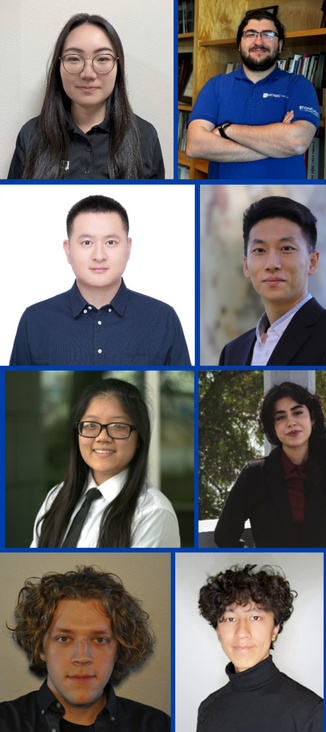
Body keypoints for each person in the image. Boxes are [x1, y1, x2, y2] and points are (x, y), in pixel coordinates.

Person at [10, 195, 190, 366]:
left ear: (128, 248)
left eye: (110, 242)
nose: (99, 256)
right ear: (68, 250)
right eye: (87, 242)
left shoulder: (163, 318)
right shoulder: (34, 320)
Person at [0, 565, 170, 732]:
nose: (82, 657)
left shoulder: (159, 731)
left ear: (119, 649)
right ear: (40, 648)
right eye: (64, 638)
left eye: (100, 640)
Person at [218, 196, 326, 365]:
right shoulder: (232, 353)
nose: (272, 264)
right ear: (246, 265)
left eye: (286, 248)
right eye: (259, 250)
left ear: (312, 262)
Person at [8, 14, 164, 180]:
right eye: (74, 59)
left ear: (118, 66)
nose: (88, 74)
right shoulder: (31, 134)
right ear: (58, 66)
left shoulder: (145, 136)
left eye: (102, 58)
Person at [31, 378, 181, 548]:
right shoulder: (56, 497)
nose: (102, 437)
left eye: (118, 426)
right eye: (90, 425)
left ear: (139, 437)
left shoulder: (152, 513)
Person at [215, 381, 326, 548]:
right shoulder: (254, 474)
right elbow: (224, 536)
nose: (291, 422)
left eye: (297, 412)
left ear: (313, 418)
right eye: (281, 417)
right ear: (273, 427)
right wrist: (256, 559)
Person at [196, 564, 323, 732]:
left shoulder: (311, 711)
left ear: (275, 629)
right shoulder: (209, 709)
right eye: (230, 619)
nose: (242, 633)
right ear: (217, 630)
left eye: (255, 617)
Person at [186, 9, 320, 179]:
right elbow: (195, 145)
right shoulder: (216, 85)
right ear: (239, 44)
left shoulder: (299, 85)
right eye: (250, 34)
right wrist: (275, 146)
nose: (258, 41)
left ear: (280, 45)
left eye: (268, 34)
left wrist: (226, 130)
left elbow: (297, 142)